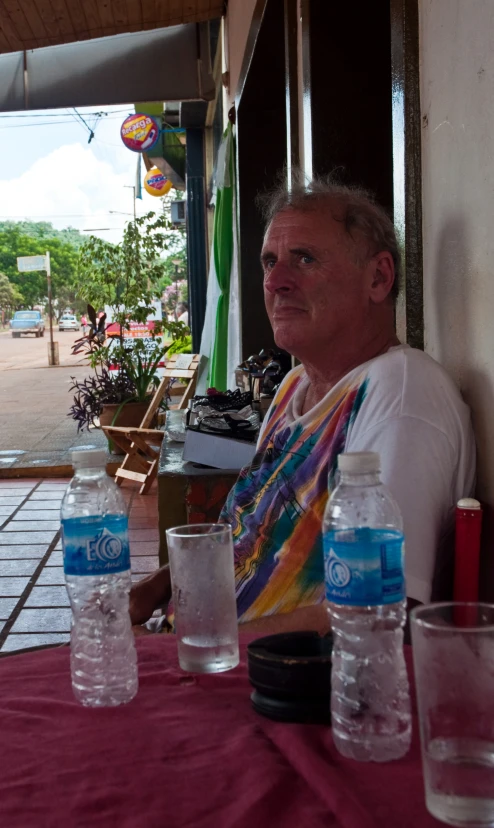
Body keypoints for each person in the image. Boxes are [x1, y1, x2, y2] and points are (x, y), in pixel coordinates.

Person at [130, 174, 475, 635]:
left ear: (378, 277)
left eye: (305, 259)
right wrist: (156, 587)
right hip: (197, 652)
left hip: (264, 682)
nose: (275, 281)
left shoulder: (400, 390)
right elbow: (253, 534)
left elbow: (373, 611)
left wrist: (187, 653)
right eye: (269, 261)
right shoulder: (295, 386)